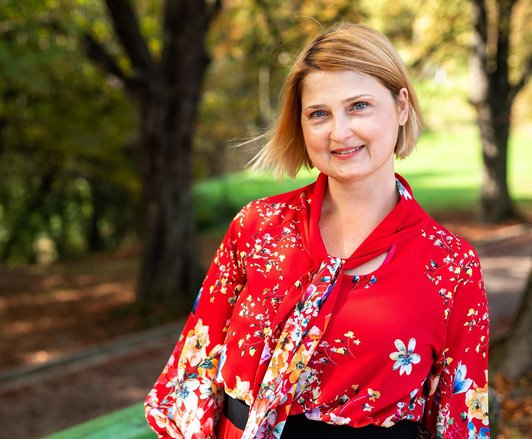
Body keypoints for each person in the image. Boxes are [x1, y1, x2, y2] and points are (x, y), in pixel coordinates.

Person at [144, 23, 490, 439]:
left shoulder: (451, 265)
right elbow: (190, 382)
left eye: (358, 106)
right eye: (319, 114)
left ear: (401, 107)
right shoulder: (257, 228)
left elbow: (460, 423)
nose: (339, 133)